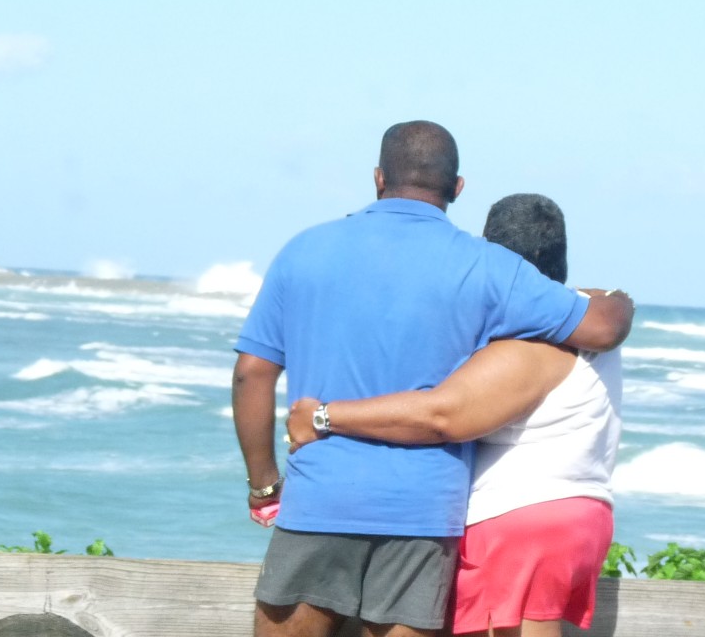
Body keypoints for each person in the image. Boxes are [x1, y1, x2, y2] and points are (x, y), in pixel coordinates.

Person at [232, 121, 633, 637]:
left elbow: (252, 374)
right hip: (424, 514)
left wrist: (264, 486)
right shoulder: (490, 266)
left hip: (320, 498)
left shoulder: (303, 250)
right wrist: (615, 297)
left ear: (379, 177)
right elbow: (601, 329)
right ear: (457, 187)